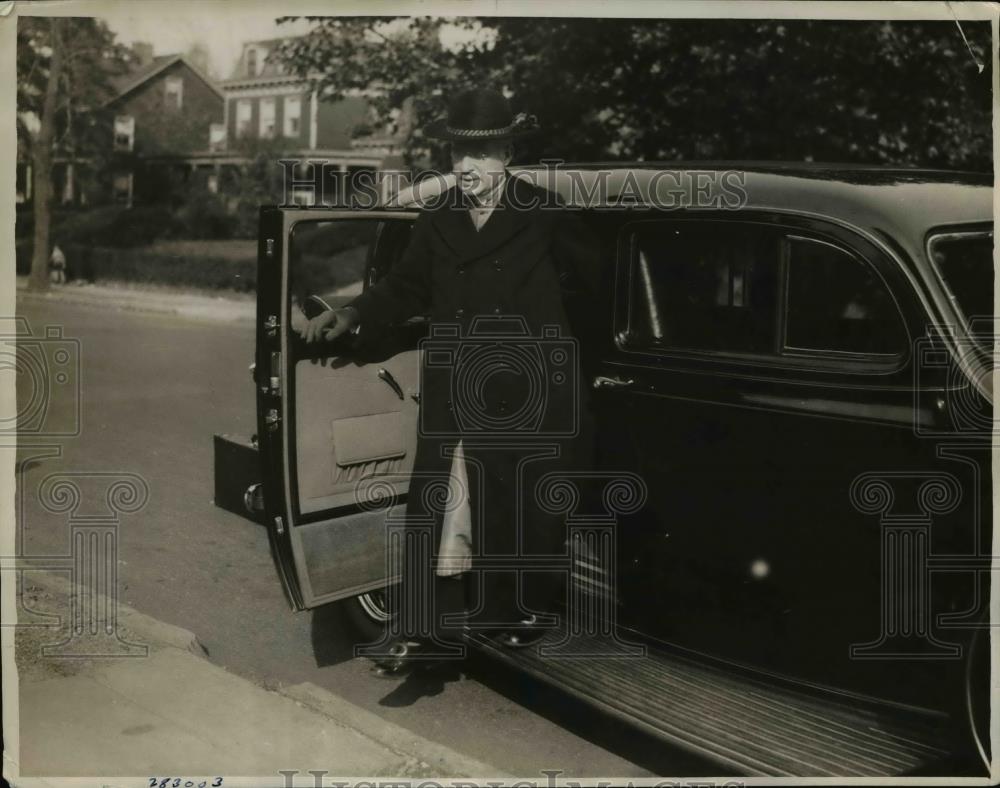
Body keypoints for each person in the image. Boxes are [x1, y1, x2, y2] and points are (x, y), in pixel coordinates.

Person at [303, 87, 602, 676]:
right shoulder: (438, 218)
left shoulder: (546, 215)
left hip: (526, 392)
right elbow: (406, 286)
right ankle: (420, 628)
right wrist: (355, 313)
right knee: (442, 502)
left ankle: (514, 616)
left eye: (482, 152)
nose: (466, 167)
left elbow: (592, 296)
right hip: (456, 387)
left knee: (517, 508)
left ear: (509, 152)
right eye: (457, 155)